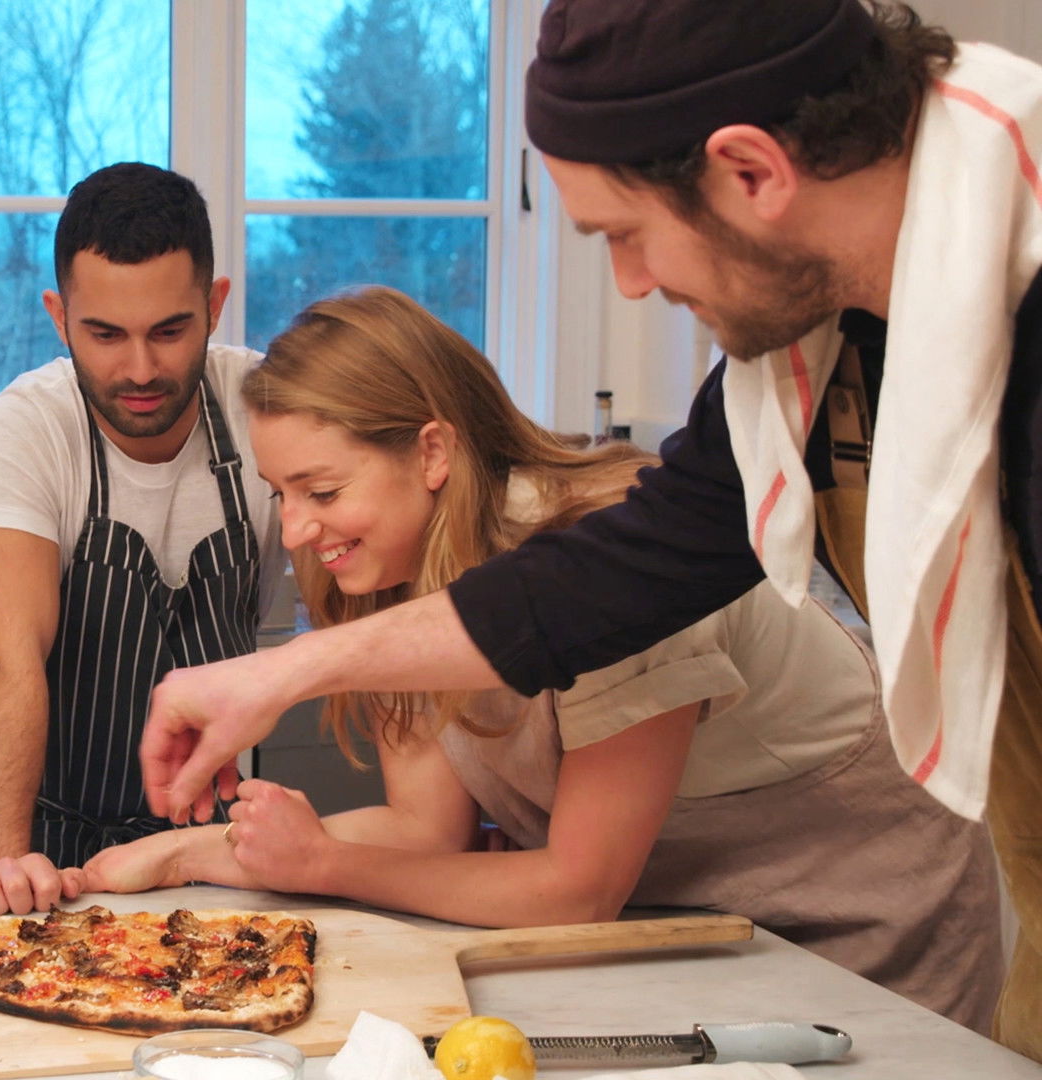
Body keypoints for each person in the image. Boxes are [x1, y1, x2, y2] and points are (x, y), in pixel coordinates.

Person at [135, 0, 1042, 1055]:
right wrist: (277, 678)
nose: (633, 284)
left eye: (626, 235)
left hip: (866, 931)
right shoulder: (808, 361)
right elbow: (602, 585)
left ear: (750, 171)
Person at [84, 285, 1002, 1030]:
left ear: (433, 450)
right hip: (696, 919)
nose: (295, 528)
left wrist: (322, 863)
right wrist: (178, 854)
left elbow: (577, 888)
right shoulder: (382, 574)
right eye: (281, 493)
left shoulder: (596, 559)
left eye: (321, 489)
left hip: (861, 905)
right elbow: (425, 833)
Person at [0, 162, 279, 915]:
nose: (139, 369)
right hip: (45, 864)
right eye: (103, 334)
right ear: (58, 316)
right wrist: (1, 884)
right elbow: (4, 665)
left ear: (216, 305)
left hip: (212, 856)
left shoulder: (270, 411)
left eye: (169, 331)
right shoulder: (24, 431)